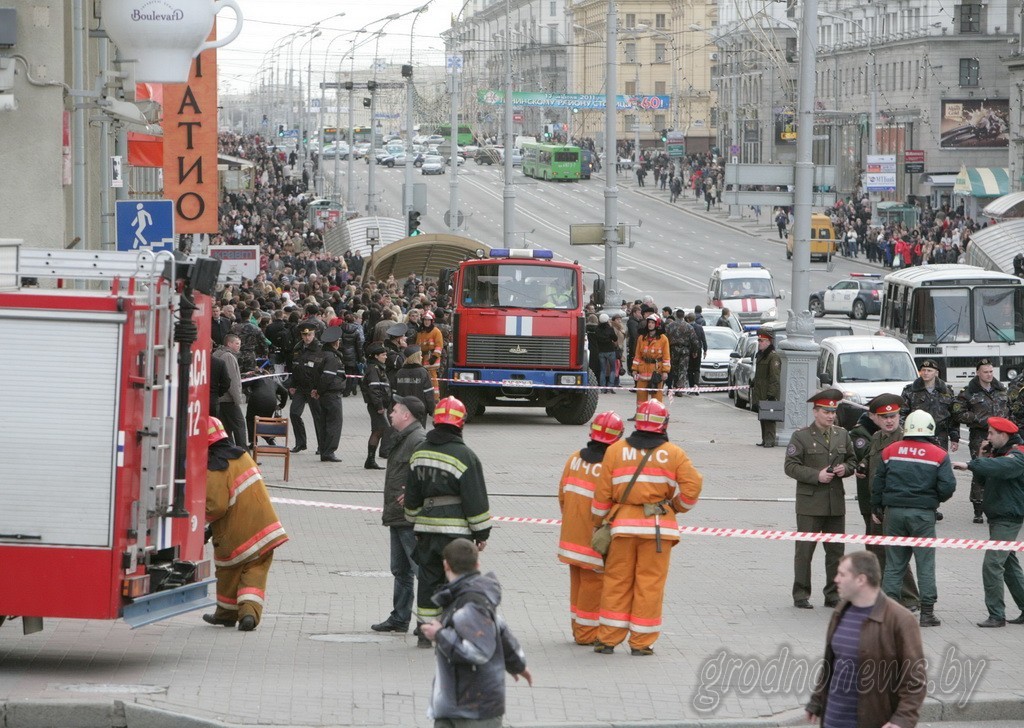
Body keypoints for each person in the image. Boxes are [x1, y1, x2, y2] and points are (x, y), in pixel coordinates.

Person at [591, 400, 703, 655]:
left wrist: (599, 523)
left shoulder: (615, 451)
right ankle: (641, 642)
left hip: (621, 528)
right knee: (649, 584)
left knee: (616, 581)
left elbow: (602, 496)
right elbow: (693, 487)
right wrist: (675, 507)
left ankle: (608, 639)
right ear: (663, 424)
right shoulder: (674, 453)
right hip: (657, 531)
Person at [404, 397, 491, 645]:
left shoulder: (419, 452)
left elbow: (411, 496)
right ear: (460, 424)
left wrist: (413, 521)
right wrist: (482, 533)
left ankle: (425, 633)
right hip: (456, 535)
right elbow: (475, 500)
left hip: (426, 532)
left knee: (428, 582)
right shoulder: (465, 456)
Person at [419, 538, 532, 727]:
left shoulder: (470, 602)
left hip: (474, 708)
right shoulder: (467, 596)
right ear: (478, 564)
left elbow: (477, 651)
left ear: (445, 565)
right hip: (457, 703)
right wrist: (517, 664)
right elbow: (501, 632)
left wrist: (439, 634)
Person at [805, 551, 926, 727]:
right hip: (832, 720)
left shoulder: (900, 620)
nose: (836, 579)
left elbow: (915, 681)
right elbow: (830, 665)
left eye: (842, 574)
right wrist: (816, 701)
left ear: (861, 580)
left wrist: (902, 719)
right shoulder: (840, 612)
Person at [202, 417, 289, 632]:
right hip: (266, 528)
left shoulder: (215, 467)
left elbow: (215, 507)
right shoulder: (242, 456)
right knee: (255, 571)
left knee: (228, 572)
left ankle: (226, 614)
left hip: (235, 534)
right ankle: (249, 613)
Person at [872, 410, 956, 627]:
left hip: (894, 513)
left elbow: (878, 482)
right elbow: (948, 486)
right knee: (925, 563)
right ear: (929, 428)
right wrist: (932, 499)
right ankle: (927, 614)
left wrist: (877, 506)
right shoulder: (938, 454)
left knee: (894, 564)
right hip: (923, 515)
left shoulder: (890, 450)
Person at [784, 389, 857, 609]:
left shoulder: (842, 434)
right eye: (826, 411)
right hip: (810, 503)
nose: (830, 415)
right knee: (805, 552)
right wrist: (816, 475)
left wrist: (846, 468)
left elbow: (853, 460)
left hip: (835, 503)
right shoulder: (802, 436)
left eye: (833, 411)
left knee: (836, 552)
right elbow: (790, 466)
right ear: (815, 412)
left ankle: (833, 594)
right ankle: (801, 594)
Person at [556, 410, 624, 645]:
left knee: (578, 585)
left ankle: (577, 628)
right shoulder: (611, 467)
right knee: (593, 589)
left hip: (571, 539)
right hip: (594, 542)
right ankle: (585, 634)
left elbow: (562, 496)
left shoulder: (574, 458)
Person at [952, 416, 1024, 627]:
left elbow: (1001, 468)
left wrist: (972, 463)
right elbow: (982, 480)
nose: (988, 437)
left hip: (1008, 517)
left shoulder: (1018, 454)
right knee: (1008, 564)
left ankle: (996, 615)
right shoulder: (999, 454)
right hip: (998, 516)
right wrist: (983, 456)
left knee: (992, 565)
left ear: (1003, 435)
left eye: (991, 433)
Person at [851, 394, 920, 611]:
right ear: (874, 418)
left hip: (893, 505)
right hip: (875, 504)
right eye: (884, 417)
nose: (890, 420)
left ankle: (909, 598)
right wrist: (863, 467)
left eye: (893, 415)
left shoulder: (905, 440)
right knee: (876, 550)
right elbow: (872, 459)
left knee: (895, 553)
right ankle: (884, 594)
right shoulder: (878, 438)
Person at [371, 395, 428, 634]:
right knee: (400, 569)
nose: (391, 414)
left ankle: (426, 621)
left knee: (419, 570)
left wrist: (417, 495)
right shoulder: (404, 438)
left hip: (410, 517)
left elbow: (427, 475)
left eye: (395, 411)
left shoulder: (419, 440)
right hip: (397, 514)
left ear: (407, 415)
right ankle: (400, 617)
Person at [952, 358, 1010, 523]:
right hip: (980, 436)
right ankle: (978, 508)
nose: (989, 374)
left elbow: (1010, 410)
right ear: (978, 373)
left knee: (1001, 470)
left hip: (1002, 437)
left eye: (991, 371)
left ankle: (999, 505)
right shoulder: (968, 392)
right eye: (986, 371)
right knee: (981, 469)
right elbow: (957, 412)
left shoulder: (1001, 390)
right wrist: (978, 419)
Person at [287, 322, 323, 454]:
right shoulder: (298, 348)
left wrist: (319, 388)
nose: (307, 337)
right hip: (301, 387)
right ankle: (301, 443)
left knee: (318, 417)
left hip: (314, 388)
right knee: (294, 413)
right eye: (304, 335)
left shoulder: (320, 348)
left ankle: (322, 445)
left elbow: (322, 370)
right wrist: (292, 384)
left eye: (310, 334)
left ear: (314, 334)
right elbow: (295, 368)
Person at [313, 326, 346, 462]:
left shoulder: (320, 354)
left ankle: (323, 449)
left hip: (324, 394)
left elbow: (315, 374)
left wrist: (316, 389)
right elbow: (327, 377)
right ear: (335, 342)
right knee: (334, 423)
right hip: (332, 394)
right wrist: (319, 390)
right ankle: (329, 451)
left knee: (324, 423)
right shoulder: (332, 357)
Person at [243, 361, 289, 449]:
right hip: (271, 401)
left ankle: (253, 442)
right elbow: (285, 392)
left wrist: (247, 376)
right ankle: (270, 439)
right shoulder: (273, 382)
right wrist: (281, 405)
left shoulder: (256, 378)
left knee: (250, 419)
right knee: (266, 420)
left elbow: (243, 384)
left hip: (256, 399)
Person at [213, 333, 247, 447]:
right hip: (229, 399)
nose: (239, 346)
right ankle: (244, 454)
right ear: (229, 343)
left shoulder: (217, 354)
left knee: (226, 429)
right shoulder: (228, 357)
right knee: (240, 426)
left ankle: (230, 452)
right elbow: (232, 380)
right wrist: (238, 400)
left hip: (220, 399)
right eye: (237, 344)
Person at [361, 342, 391, 470]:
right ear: (376, 356)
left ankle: (370, 460)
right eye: (383, 355)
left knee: (377, 431)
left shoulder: (378, 367)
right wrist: (379, 406)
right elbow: (374, 389)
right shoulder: (374, 369)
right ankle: (370, 460)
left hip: (378, 405)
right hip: (376, 406)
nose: (386, 357)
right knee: (383, 429)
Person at [631, 313, 671, 407]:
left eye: (652, 323)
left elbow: (666, 357)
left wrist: (665, 371)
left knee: (656, 397)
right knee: (641, 396)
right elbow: (637, 355)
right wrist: (634, 369)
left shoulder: (663, 339)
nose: (650, 325)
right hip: (643, 370)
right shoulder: (642, 338)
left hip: (656, 371)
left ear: (657, 324)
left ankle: (657, 415)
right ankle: (640, 415)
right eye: (649, 322)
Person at [751, 328, 781, 447]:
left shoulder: (773, 357)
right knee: (763, 416)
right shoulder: (762, 355)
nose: (759, 343)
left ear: (768, 342)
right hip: (760, 391)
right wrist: (753, 382)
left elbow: (775, 377)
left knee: (769, 418)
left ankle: (770, 440)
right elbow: (760, 374)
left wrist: (771, 394)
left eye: (761, 340)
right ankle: (764, 439)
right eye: (759, 340)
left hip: (768, 392)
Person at [394, 345, 436, 424]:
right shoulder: (423, 372)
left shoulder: (400, 373)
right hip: (419, 411)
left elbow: (395, 393)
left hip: (403, 410)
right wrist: (432, 411)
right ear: (415, 357)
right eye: (420, 355)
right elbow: (429, 394)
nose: (422, 357)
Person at [416, 310, 444, 395]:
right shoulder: (420, 332)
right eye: (425, 320)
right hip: (422, 359)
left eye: (428, 320)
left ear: (432, 321)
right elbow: (417, 345)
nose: (426, 322)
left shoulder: (436, 331)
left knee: (432, 380)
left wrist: (434, 357)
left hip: (431, 360)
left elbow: (439, 346)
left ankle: (435, 399)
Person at [593, 313, 619, 393]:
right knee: (612, 369)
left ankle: (603, 387)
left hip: (601, 351)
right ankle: (610, 386)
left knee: (603, 370)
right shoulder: (610, 329)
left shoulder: (597, 329)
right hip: (610, 350)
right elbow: (615, 338)